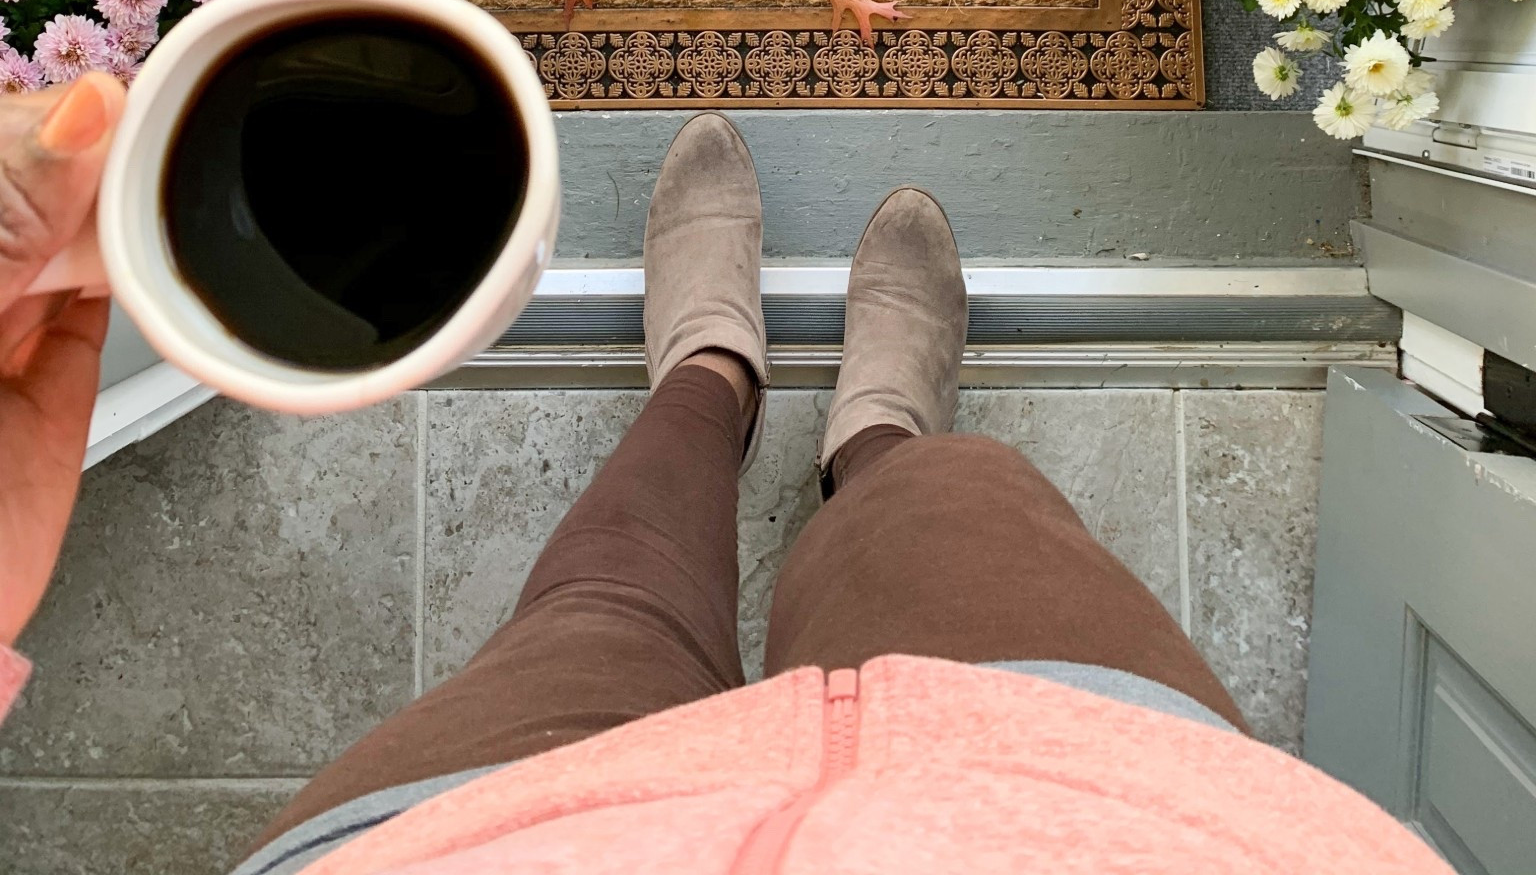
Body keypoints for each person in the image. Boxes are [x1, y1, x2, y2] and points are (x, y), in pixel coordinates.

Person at [3, 97, 1445, 873]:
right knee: (961, 507)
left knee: (604, 604)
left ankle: (707, 379)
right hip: (1116, 819)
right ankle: (875, 437)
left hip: (481, 844)